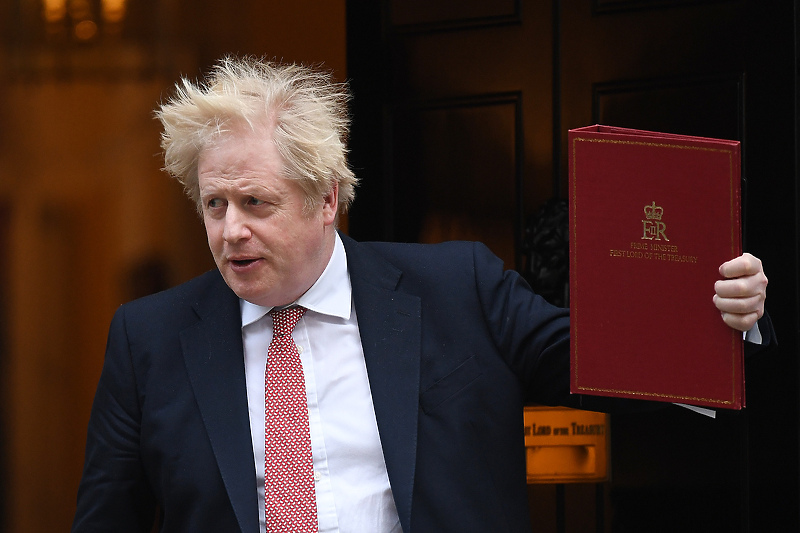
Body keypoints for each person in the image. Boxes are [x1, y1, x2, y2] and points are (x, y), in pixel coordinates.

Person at [72, 56, 771, 533]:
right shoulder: (149, 338)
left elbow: (609, 362)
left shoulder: (458, 288)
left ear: (327, 199)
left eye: (256, 201)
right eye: (214, 203)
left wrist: (722, 312)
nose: (231, 230)